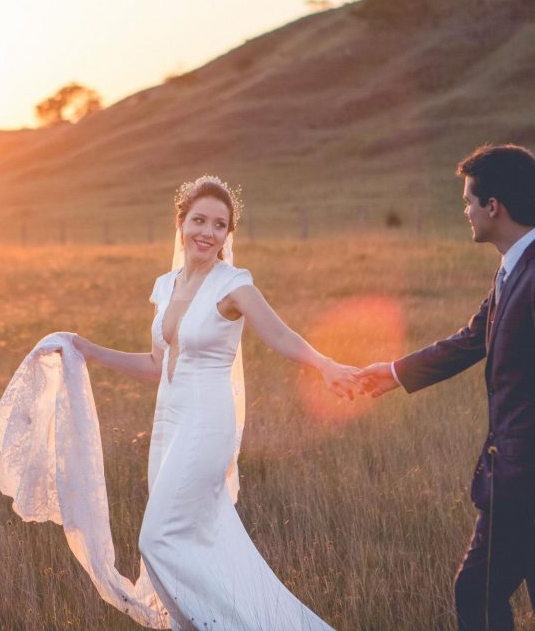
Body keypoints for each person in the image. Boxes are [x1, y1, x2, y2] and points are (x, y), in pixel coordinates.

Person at [66, 175, 359, 629]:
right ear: (180, 224)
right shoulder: (165, 286)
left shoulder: (233, 284)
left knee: (157, 539)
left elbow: (279, 333)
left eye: (219, 225)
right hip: (168, 425)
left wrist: (325, 365)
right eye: (199, 220)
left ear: (228, 234)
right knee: (194, 543)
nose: (208, 232)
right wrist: (88, 349)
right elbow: (154, 364)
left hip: (207, 425)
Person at [357, 144, 535, 631]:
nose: (465, 212)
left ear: (493, 206)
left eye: (467, 201)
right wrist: (392, 373)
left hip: (525, 479)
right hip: (517, 474)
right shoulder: (512, 269)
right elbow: (470, 339)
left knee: (475, 591)